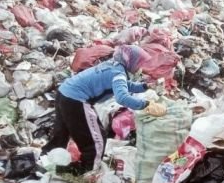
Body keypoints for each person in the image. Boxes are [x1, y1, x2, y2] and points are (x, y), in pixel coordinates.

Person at [41, 45, 167, 174]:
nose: (139, 67)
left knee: (61, 133)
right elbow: (122, 97)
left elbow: (124, 85)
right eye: (139, 63)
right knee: (96, 140)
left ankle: (44, 161)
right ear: (131, 60)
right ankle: (87, 171)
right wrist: (146, 105)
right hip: (76, 100)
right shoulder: (118, 73)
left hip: (64, 92)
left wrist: (144, 86)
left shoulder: (113, 65)